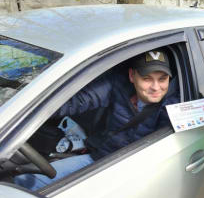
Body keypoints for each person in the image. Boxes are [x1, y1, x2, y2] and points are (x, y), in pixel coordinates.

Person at [15, 49, 179, 190]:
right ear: (131, 76)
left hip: (136, 173)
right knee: (26, 181)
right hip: (100, 159)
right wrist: (26, 108)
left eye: (162, 79)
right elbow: (75, 102)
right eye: (147, 79)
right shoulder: (118, 85)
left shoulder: (174, 104)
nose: (156, 87)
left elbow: (172, 147)